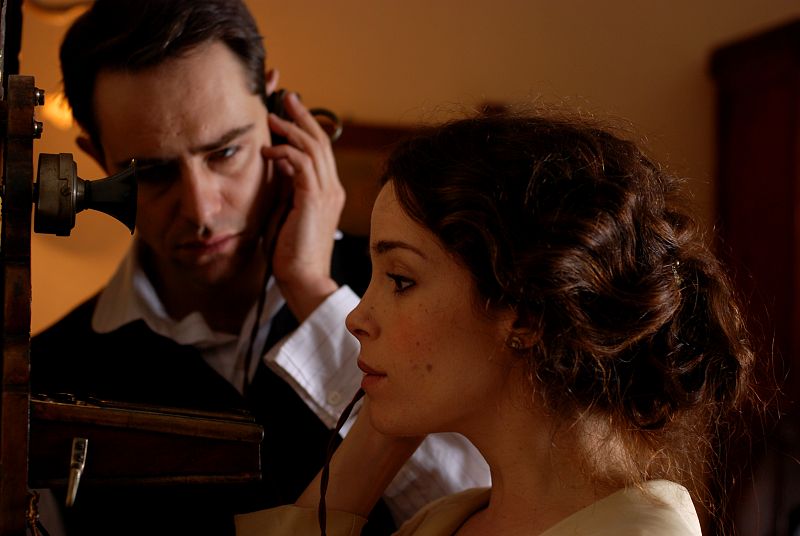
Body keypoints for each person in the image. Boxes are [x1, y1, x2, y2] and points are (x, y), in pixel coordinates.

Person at [29, 1, 488, 535]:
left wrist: (313, 292)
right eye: (152, 173)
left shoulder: (428, 292)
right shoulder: (46, 373)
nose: (202, 211)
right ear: (94, 158)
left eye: (225, 153)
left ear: (277, 109)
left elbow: (485, 507)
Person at [234, 110, 758, 535]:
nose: (355, 317)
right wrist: (385, 418)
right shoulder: (447, 520)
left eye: (400, 279)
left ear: (525, 316)